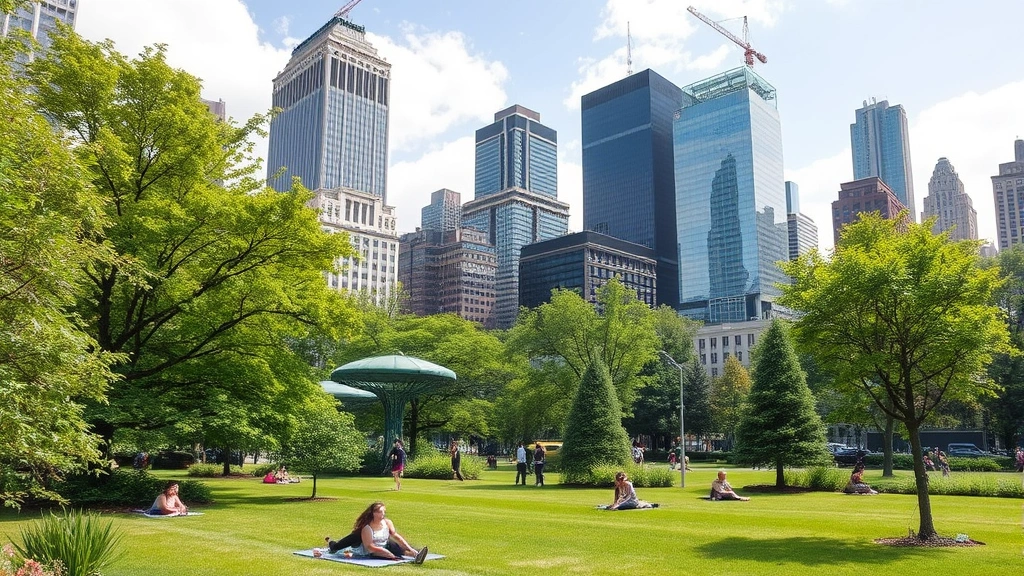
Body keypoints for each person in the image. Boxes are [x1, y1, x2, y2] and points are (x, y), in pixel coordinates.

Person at [320, 502, 428, 564]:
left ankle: (416, 556)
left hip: (383, 544)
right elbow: (370, 547)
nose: (383, 514)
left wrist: (411, 550)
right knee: (337, 547)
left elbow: (397, 537)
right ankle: (330, 541)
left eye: (384, 512)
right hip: (363, 544)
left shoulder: (387, 522)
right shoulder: (366, 528)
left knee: (398, 548)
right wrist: (386, 553)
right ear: (373, 513)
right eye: (380, 512)